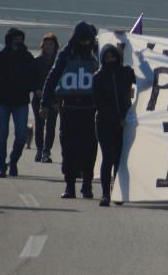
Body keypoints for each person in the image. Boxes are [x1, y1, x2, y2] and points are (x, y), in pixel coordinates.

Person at [42, 22, 101, 199]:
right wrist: (44, 103)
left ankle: (87, 185)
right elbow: (52, 78)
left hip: (91, 109)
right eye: (82, 39)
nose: (85, 42)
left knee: (90, 149)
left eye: (87, 39)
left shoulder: (97, 53)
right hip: (69, 109)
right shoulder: (66, 54)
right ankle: (69, 186)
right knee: (68, 149)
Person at [0, 27, 38, 177]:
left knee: (22, 135)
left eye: (20, 39)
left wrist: (31, 88)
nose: (18, 42)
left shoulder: (28, 57)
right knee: (2, 136)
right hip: (2, 102)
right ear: (8, 40)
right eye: (15, 39)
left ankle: (14, 161)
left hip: (21, 102)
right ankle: (1, 166)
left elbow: (35, 76)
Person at [93, 44, 135, 207]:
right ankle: (105, 194)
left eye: (113, 56)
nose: (110, 59)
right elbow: (99, 103)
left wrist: (141, 59)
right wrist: (116, 118)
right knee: (108, 157)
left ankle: (117, 191)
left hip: (123, 123)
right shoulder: (98, 76)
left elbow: (146, 79)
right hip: (104, 122)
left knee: (119, 159)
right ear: (103, 58)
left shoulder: (125, 73)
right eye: (107, 57)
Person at [32, 33, 60, 163]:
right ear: (42, 46)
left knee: (51, 126)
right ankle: (39, 149)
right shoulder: (37, 61)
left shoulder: (59, 62)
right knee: (39, 124)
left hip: (54, 99)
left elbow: (61, 82)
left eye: (51, 44)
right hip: (38, 98)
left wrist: (57, 100)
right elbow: (31, 79)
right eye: (46, 44)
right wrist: (37, 90)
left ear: (55, 46)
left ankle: (46, 151)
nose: (49, 47)